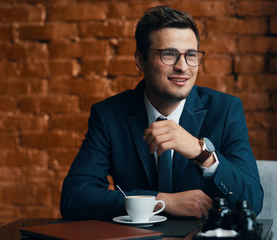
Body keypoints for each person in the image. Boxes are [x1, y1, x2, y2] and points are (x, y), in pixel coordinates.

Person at [60, 5, 263, 221]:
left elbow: (253, 202)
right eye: (169, 54)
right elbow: (75, 198)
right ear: (140, 60)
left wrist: (200, 152)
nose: (183, 67)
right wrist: (162, 201)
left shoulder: (225, 110)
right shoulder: (109, 115)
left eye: (191, 55)